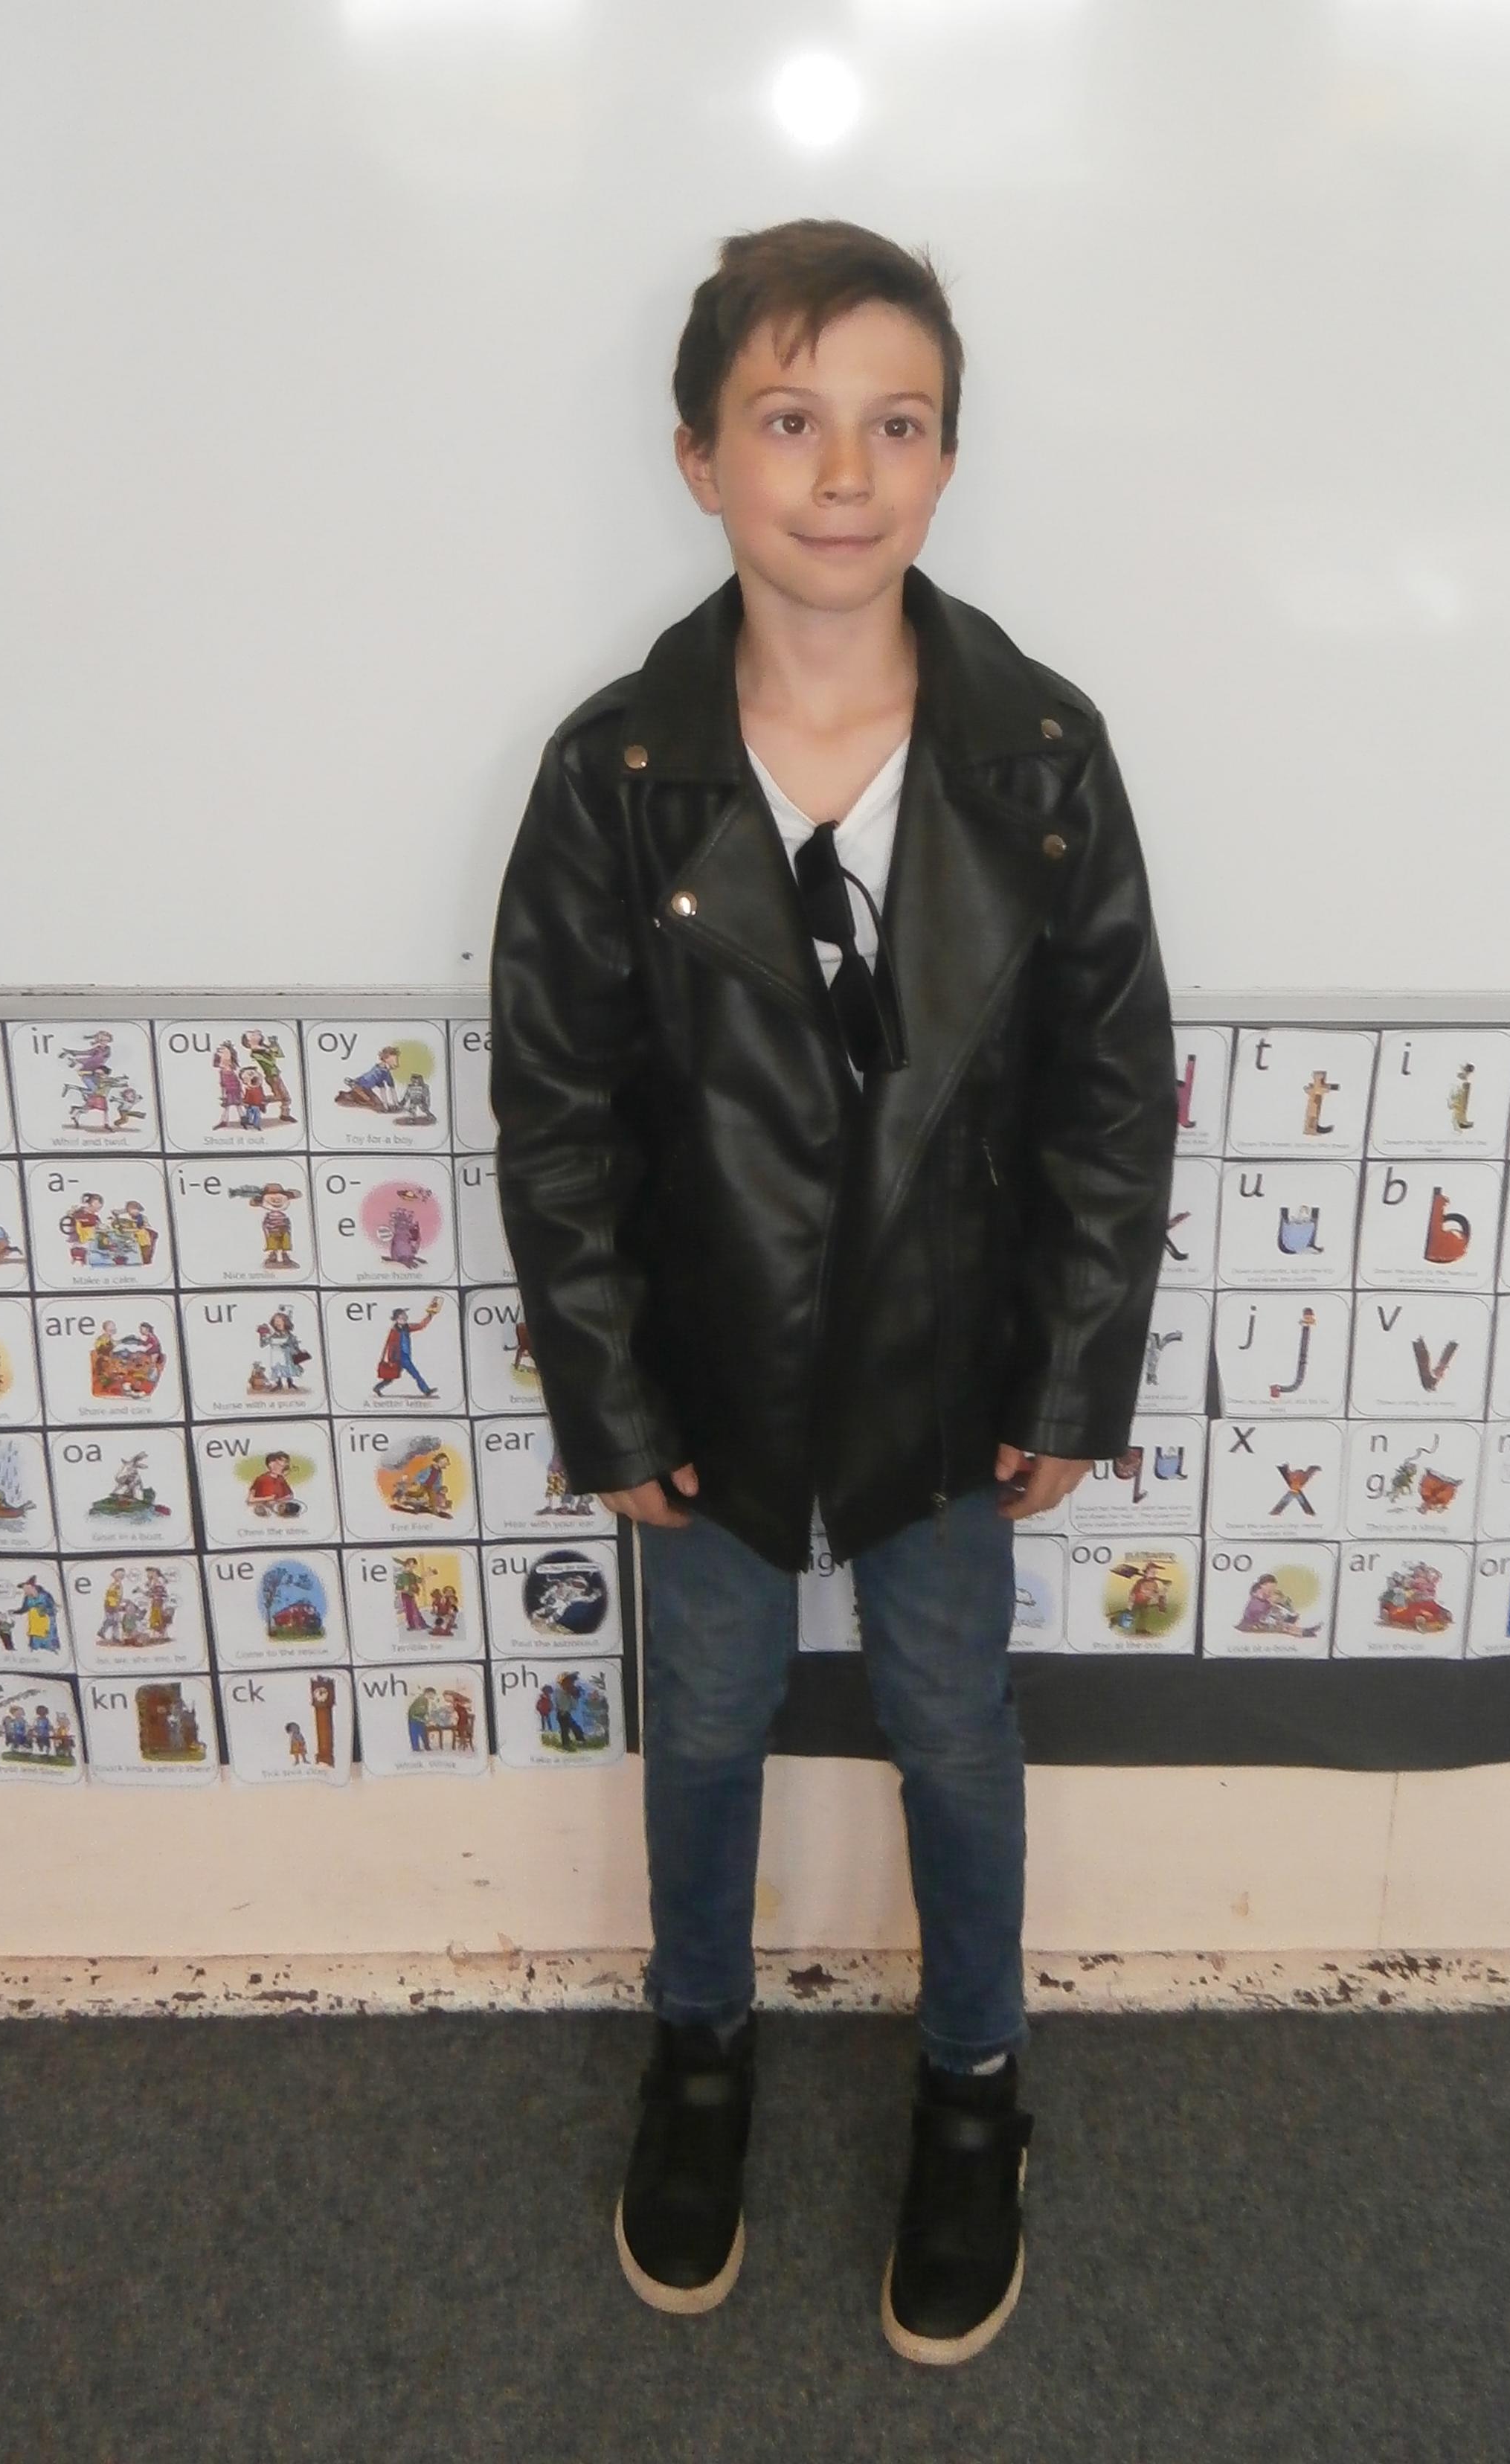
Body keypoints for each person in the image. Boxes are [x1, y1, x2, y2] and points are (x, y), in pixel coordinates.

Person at [492, 220, 1173, 2364]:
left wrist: (1071, 1371)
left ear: (950, 457)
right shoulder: (618, 772)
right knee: (704, 1723)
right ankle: (700, 2050)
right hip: (702, 1379)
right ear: (702, 458)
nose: (846, 473)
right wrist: (613, 1403)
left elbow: (1111, 1095)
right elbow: (559, 1115)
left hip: (950, 1376)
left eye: (898, 424)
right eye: (790, 422)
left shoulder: (1040, 757)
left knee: (953, 1729)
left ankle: (975, 2088)